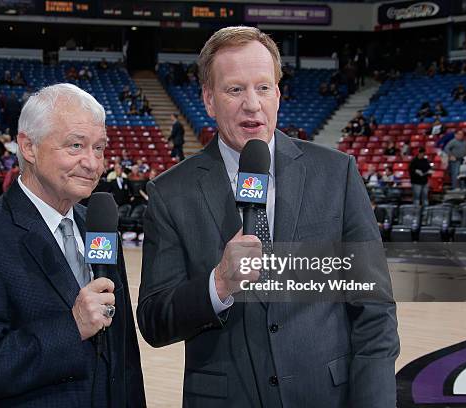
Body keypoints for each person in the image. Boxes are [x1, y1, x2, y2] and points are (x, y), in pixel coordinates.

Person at [137, 26, 398, 408]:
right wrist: (219, 284)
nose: (252, 104)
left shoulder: (336, 173)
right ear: (209, 99)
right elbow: (154, 320)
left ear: (278, 94)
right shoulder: (170, 192)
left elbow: (374, 310)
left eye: (263, 87)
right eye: (234, 89)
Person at [0, 83, 145, 407]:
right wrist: (71, 328)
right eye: (76, 145)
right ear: (29, 147)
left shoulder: (100, 227)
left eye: (99, 148)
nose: (93, 163)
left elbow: (122, 354)